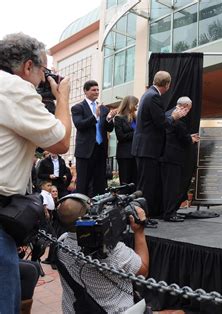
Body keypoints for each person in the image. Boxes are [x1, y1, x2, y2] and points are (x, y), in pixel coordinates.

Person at [0, 32, 71, 313]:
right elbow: (61, 141)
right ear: (28, 67)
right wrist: (63, 97)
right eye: (43, 70)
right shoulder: (15, 89)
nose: (44, 80)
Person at [56, 194, 149, 313]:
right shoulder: (113, 251)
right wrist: (139, 231)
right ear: (90, 216)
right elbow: (143, 271)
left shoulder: (61, 243)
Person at [131, 71, 185, 218]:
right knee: (146, 186)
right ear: (167, 84)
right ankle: (142, 217)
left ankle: (143, 216)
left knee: (145, 185)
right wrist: (174, 116)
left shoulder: (147, 94)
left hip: (143, 148)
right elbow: (160, 122)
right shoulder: (154, 96)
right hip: (147, 149)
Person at [72, 80, 116, 197]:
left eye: (97, 90)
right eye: (93, 90)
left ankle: (98, 210)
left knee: (100, 184)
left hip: (100, 150)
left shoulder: (104, 109)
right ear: (85, 91)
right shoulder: (78, 107)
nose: (96, 92)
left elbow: (109, 129)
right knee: (83, 184)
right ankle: (81, 210)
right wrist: (94, 116)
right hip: (85, 152)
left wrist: (109, 119)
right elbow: (79, 125)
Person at [161, 96, 200, 222]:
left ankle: (170, 211)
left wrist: (188, 136)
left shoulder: (167, 113)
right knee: (173, 188)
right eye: (188, 109)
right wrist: (191, 139)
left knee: (169, 187)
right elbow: (180, 136)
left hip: (166, 156)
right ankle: (170, 213)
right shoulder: (175, 116)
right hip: (173, 157)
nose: (188, 112)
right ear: (185, 107)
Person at [114, 95, 139, 190]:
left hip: (136, 154)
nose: (137, 106)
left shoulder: (137, 118)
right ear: (130, 104)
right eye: (136, 104)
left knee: (135, 182)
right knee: (125, 182)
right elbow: (120, 137)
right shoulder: (119, 118)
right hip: (125, 155)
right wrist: (136, 133)